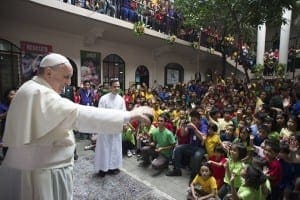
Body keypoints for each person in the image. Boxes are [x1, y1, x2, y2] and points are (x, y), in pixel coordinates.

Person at [0, 53, 153, 200]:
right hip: (42, 175)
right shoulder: (39, 93)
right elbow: (80, 114)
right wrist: (130, 115)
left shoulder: (29, 88)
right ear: (48, 73)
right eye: (66, 77)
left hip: (39, 169)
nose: (68, 83)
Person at [95, 78, 126, 177]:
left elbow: (123, 113)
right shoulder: (104, 98)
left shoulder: (121, 99)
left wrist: (124, 124)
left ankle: (113, 167)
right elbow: (100, 113)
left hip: (116, 128)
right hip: (105, 128)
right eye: (115, 86)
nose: (117, 88)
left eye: (118, 86)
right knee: (104, 148)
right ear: (110, 87)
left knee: (115, 147)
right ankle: (102, 168)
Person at [0, 88, 17, 159]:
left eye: (15, 94)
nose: (14, 96)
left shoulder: (19, 104)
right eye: (12, 94)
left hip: (16, 127)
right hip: (6, 127)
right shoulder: (2, 105)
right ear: (7, 96)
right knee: (6, 144)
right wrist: (9, 110)